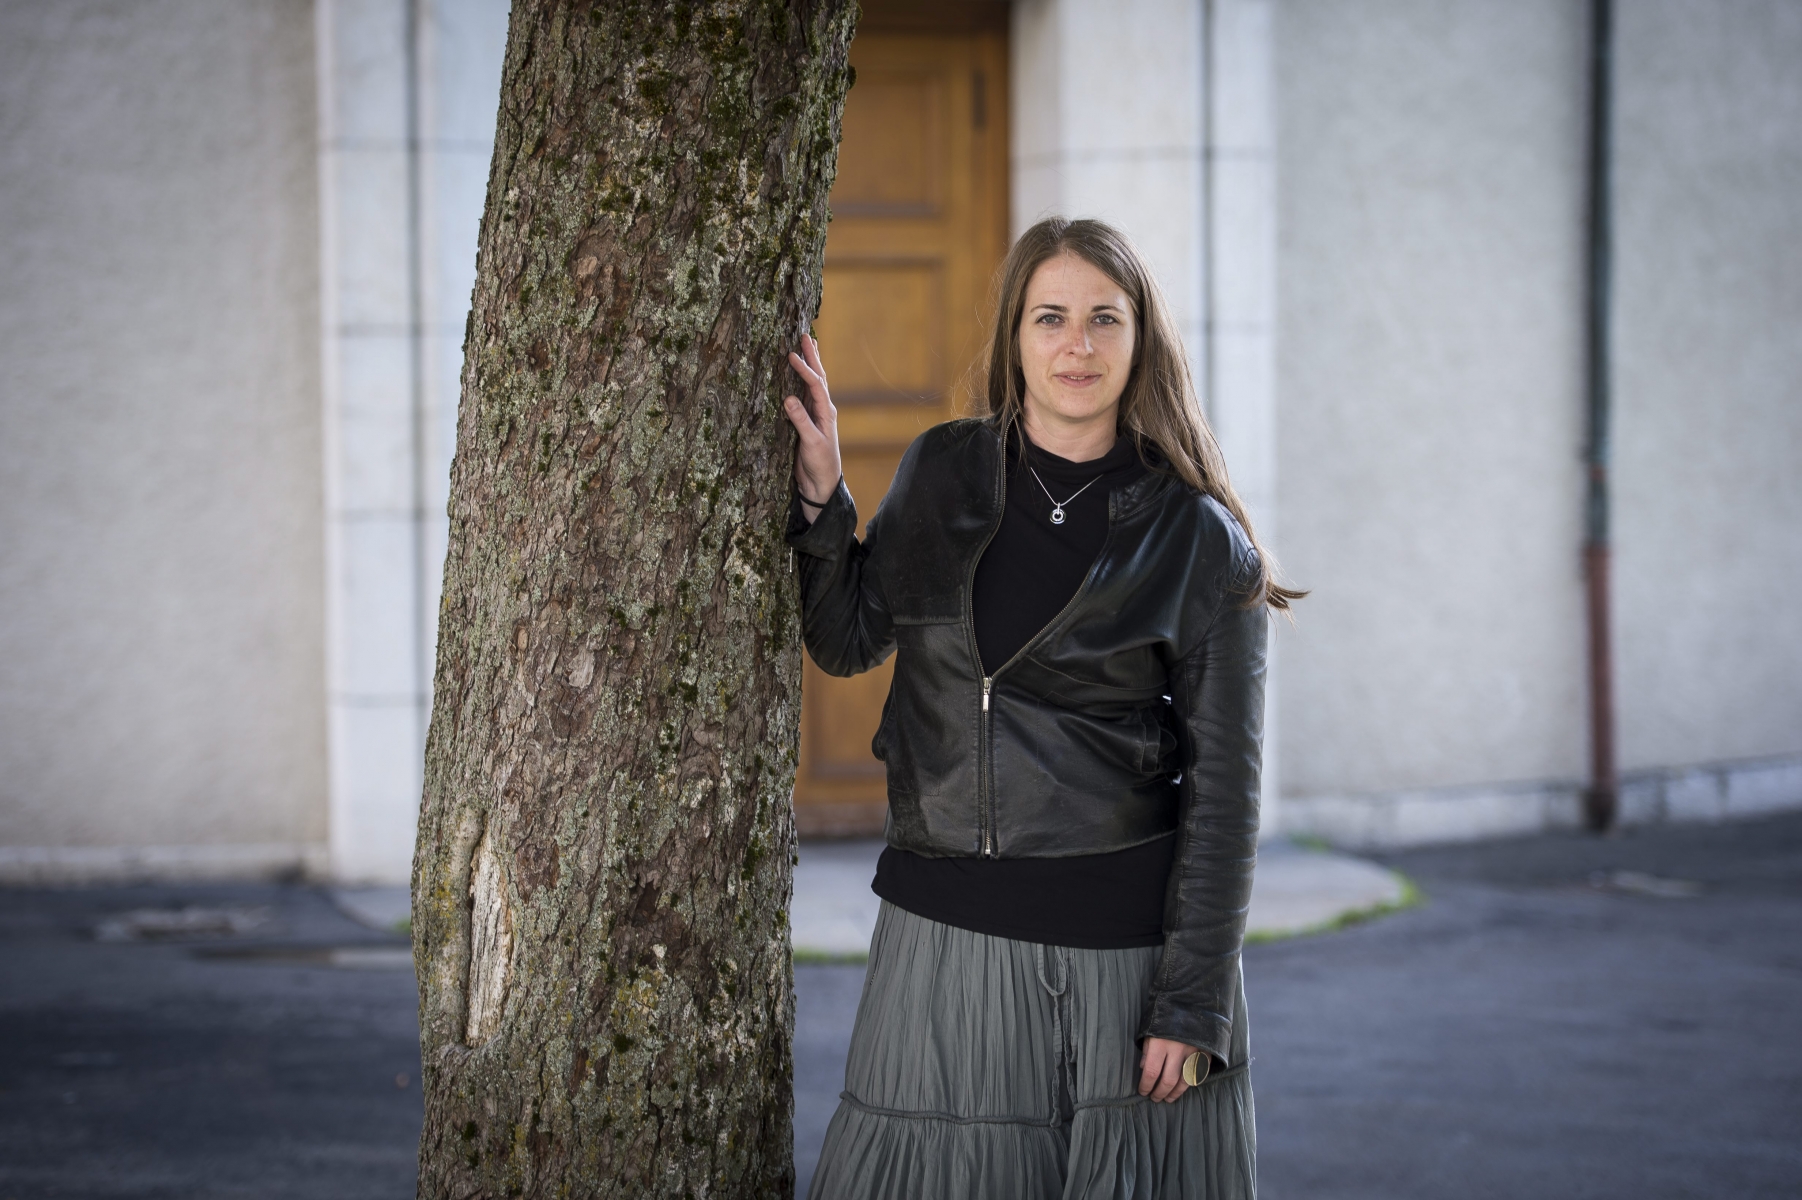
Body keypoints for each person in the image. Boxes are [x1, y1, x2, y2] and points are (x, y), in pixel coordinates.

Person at [783, 216, 1299, 1199]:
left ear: (1141, 341)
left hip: (1121, 957)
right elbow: (849, 638)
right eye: (1050, 317)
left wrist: (1190, 1005)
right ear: (1014, 338)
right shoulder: (942, 472)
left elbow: (1227, 794)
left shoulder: (1198, 540)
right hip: (940, 943)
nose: (1077, 345)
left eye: (1104, 319)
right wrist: (821, 504)